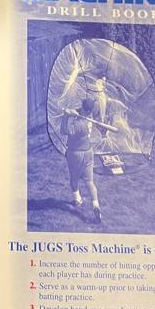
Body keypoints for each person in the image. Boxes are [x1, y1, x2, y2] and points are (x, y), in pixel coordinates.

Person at [61, 93, 102, 223]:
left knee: (74, 179)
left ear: (83, 107)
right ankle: (96, 205)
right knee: (89, 182)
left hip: (76, 154)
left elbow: (63, 131)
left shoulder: (78, 125)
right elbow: (81, 111)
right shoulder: (89, 116)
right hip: (89, 152)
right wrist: (74, 111)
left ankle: (77, 199)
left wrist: (66, 116)